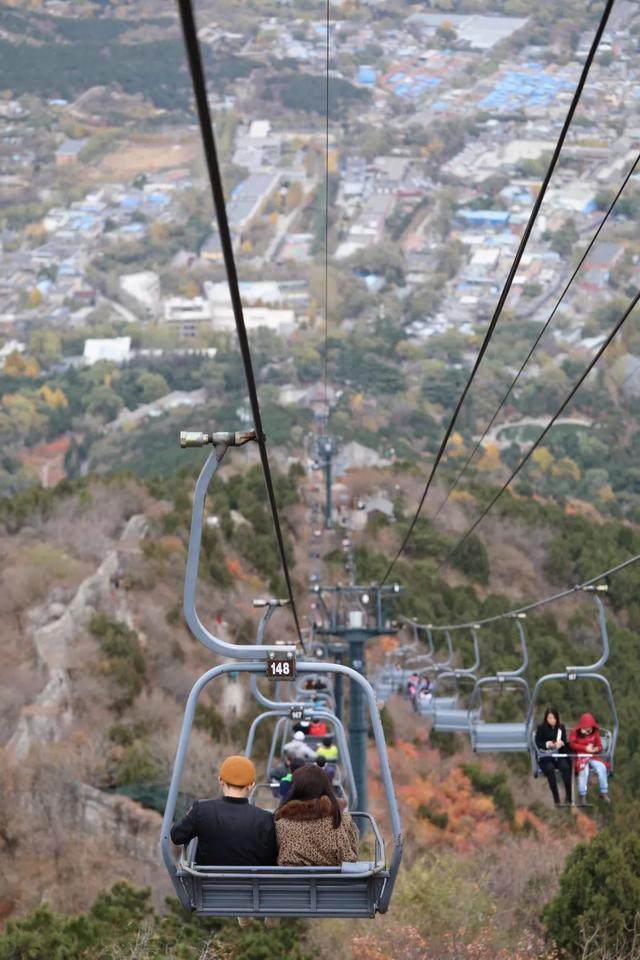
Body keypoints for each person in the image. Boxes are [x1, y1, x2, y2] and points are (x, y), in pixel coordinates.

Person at [170, 755, 277, 866]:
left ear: (221, 780)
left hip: (206, 882)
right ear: (251, 785)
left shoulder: (202, 810)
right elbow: (271, 860)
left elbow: (176, 836)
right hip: (250, 883)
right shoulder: (265, 818)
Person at [274, 764, 359, 866]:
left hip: (293, 880)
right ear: (326, 787)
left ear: (296, 789)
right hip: (335, 880)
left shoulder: (281, 823)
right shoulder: (341, 820)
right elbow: (350, 858)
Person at [569, 712, 610, 804]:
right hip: (581, 756)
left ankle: (603, 792)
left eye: (589, 727)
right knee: (584, 771)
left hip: (592, 756)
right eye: (585, 727)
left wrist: (596, 749)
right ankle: (582, 795)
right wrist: (584, 748)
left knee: (601, 768)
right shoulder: (576, 732)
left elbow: (599, 746)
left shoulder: (595, 732)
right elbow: (572, 744)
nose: (587, 729)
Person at [535, 707, 572, 805]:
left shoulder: (561, 728)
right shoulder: (541, 728)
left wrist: (561, 743)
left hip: (558, 754)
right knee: (550, 769)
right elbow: (538, 743)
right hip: (546, 756)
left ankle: (569, 795)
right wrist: (548, 744)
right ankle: (556, 797)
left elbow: (564, 740)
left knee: (565, 767)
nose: (552, 720)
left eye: (553, 718)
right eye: (549, 718)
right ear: (546, 719)